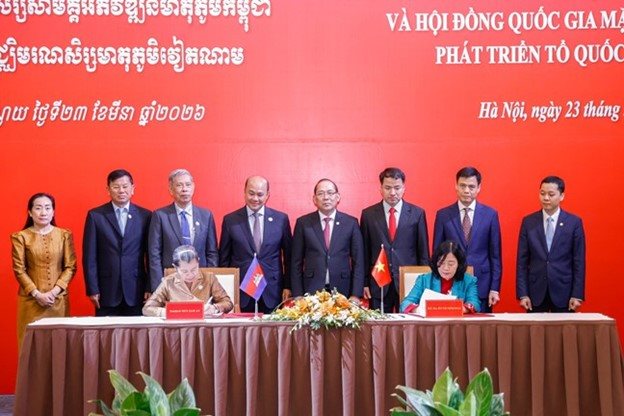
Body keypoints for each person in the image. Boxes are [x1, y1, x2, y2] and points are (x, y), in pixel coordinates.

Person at [11, 193, 77, 349]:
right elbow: (19, 269)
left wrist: (54, 292)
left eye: (48, 208)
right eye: (38, 208)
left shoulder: (64, 235)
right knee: (31, 347)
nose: (43, 212)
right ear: (30, 212)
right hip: (31, 301)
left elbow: (71, 266)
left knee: (60, 347)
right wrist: (37, 294)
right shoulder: (20, 237)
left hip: (58, 301)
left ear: (53, 212)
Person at [83, 169, 152, 316]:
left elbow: (151, 255)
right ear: (108, 190)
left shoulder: (145, 216)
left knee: (136, 330)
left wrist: (150, 286)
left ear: (133, 188)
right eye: (116, 187)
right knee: (106, 331)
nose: (121, 190)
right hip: (106, 290)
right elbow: (89, 257)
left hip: (137, 290)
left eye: (125, 186)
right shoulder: (96, 216)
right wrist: (92, 288)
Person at [433, 167, 502, 312]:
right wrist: (436, 285)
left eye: (471, 186)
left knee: (481, 327)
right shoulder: (443, 215)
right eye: (462, 186)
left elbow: (495, 256)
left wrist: (494, 288)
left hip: (482, 285)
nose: (466, 190)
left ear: (479, 188)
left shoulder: (490, 215)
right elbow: (437, 254)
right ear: (456, 186)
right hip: (450, 285)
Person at [360, 167, 429, 312]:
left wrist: (425, 282)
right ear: (380, 189)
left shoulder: (417, 214)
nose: (392, 193)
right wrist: (364, 282)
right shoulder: (368, 215)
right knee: (378, 324)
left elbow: (423, 253)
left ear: (404, 188)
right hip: (378, 282)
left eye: (397, 188)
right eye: (388, 188)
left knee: (408, 324)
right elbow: (364, 252)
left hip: (409, 283)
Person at [219, 176, 292, 313]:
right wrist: (225, 290)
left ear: (267, 195)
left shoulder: (281, 219)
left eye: (260, 194)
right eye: (251, 193)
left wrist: (288, 286)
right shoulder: (231, 220)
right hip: (242, 290)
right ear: (244, 192)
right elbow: (224, 259)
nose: (255, 198)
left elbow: (289, 257)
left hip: (272, 289)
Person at [516, 176, 586, 312]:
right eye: (542, 193)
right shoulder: (529, 222)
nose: (546, 198)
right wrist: (523, 294)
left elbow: (579, 262)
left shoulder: (574, 223)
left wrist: (577, 295)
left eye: (551, 194)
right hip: (535, 293)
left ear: (562, 196)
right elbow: (522, 262)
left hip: (564, 292)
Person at [291, 179, 364, 301]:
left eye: (330, 193)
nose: (326, 197)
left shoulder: (351, 223)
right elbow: (295, 262)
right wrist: (298, 294)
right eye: (321, 193)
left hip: (343, 290)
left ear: (338, 197)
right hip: (311, 290)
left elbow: (358, 261)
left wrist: (355, 294)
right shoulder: (303, 223)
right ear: (314, 199)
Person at [148, 169, 218, 292]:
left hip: (201, 282)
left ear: (193, 187)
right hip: (171, 283)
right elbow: (154, 254)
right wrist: (159, 287)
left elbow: (212, 252)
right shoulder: (160, 216)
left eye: (188, 185)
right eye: (179, 185)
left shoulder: (206, 215)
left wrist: (210, 281)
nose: (184, 189)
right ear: (171, 189)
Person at [143, 245, 233, 317]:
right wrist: (166, 312)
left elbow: (228, 303)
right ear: (175, 267)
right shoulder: (168, 282)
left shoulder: (209, 278)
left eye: (194, 269)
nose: (190, 275)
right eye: (184, 271)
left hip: (203, 326)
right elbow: (147, 308)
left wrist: (214, 308)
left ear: (198, 262)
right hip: (177, 327)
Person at [400, 241, 480, 313]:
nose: (446, 268)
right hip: (430, 323)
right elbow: (406, 303)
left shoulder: (469, 281)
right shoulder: (424, 280)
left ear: (459, 264)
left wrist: (457, 309)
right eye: (441, 263)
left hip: (456, 323)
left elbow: (475, 303)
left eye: (451, 264)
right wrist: (418, 310)